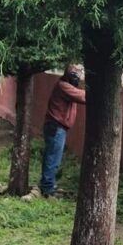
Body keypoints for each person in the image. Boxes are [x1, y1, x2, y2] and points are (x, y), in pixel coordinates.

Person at [39, 64, 86, 198]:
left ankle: (48, 185)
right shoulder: (64, 86)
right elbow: (84, 97)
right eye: (76, 74)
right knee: (53, 157)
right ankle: (47, 188)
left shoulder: (65, 85)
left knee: (52, 156)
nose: (78, 78)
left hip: (56, 126)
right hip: (56, 126)